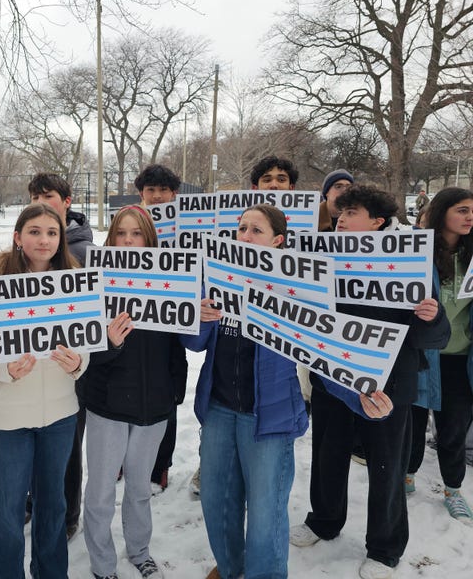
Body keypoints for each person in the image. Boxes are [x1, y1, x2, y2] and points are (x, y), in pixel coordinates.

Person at [290, 185, 450, 579]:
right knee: (327, 457)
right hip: (332, 378)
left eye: (352, 212)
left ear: (377, 221)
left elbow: (432, 338)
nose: (342, 219)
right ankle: (324, 520)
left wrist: (430, 316)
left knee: (386, 468)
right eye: (340, 213)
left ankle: (384, 548)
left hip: (387, 389)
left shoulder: (407, 260)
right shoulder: (321, 255)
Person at [0, 203, 90, 579]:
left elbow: (88, 338)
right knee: (8, 512)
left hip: (60, 416)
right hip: (7, 419)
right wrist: (3, 368)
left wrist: (78, 363)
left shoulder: (75, 279)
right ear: (18, 237)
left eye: (52, 232)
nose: (44, 239)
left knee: (52, 506)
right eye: (34, 231)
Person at [182, 204, 309, 579]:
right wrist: (198, 316)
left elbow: (324, 352)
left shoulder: (297, 287)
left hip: (269, 416)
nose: (246, 236)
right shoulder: (217, 277)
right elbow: (194, 343)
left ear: (278, 241)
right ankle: (230, 566)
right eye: (241, 229)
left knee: (266, 512)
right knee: (217, 500)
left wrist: (361, 396)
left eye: (257, 230)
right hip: (220, 408)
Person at [82, 205, 187, 579]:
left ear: (149, 238)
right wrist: (108, 343)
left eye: (137, 233)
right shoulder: (93, 281)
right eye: (122, 233)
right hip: (107, 404)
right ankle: (102, 563)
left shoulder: (171, 280)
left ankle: (139, 550)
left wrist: (175, 388)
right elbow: (82, 354)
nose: (129, 240)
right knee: (100, 492)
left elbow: (178, 343)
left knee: (140, 488)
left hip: (153, 406)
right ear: (111, 239)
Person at [27, 172, 95, 537]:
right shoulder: (21, 247)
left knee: (67, 446)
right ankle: (32, 498)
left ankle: (68, 515)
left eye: (48, 195)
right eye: (35, 195)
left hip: (68, 368)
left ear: (66, 201)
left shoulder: (83, 253)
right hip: (28, 367)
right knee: (32, 440)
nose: (41, 201)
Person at [407, 187, 473, 522]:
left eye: (472, 211)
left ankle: (453, 489)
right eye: (462, 210)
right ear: (442, 211)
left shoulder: (472, 254)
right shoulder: (417, 251)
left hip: (460, 358)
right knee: (413, 423)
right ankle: (406, 474)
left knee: (454, 428)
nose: (469, 217)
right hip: (421, 354)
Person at [134, 164, 183, 492]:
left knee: (167, 393)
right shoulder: (131, 223)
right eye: (150, 190)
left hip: (172, 323)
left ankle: (159, 465)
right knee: (132, 389)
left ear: (173, 194)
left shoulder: (185, 228)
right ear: (142, 194)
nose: (156, 195)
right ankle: (128, 460)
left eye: (162, 190)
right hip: (135, 321)